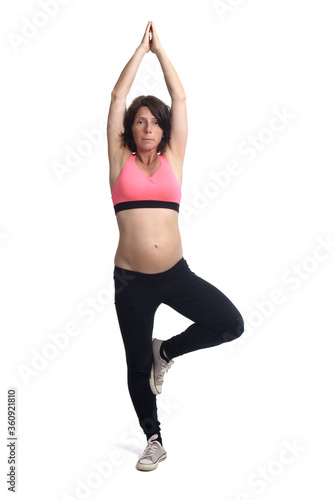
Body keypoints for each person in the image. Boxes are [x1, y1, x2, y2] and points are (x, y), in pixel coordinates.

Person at [107, 21, 244, 471]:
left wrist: (159, 51)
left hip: (175, 274)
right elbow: (115, 99)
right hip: (131, 281)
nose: (147, 128)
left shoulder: (175, 158)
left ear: (165, 131)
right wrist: (137, 53)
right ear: (131, 129)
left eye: (154, 123)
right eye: (140, 122)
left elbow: (181, 98)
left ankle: (164, 351)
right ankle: (153, 438)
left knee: (228, 323)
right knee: (132, 364)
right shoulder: (119, 161)